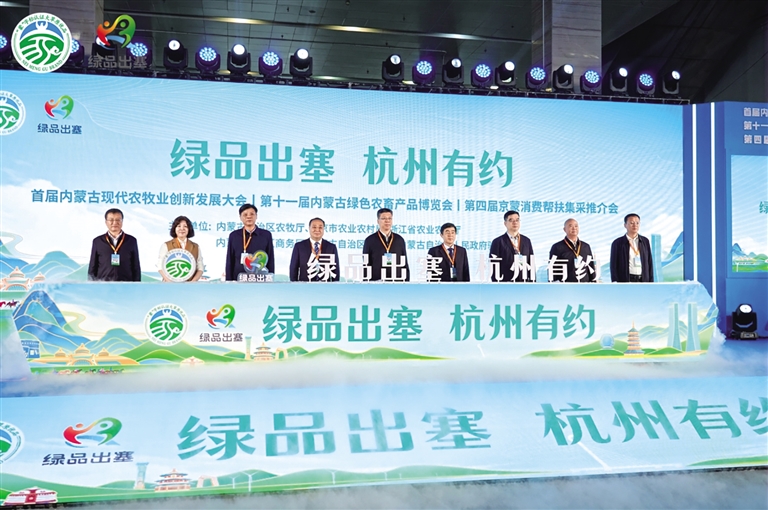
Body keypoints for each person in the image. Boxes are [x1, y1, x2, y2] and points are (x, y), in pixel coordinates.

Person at [88, 208, 141, 281]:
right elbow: (93, 267)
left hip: (126, 284)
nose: (115, 223)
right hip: (103, 284)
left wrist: (136, 284)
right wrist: (91, 284)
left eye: (118, 220)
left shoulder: (131, 241)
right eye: (111, 220)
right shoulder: (98, 241)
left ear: (122, 221)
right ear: (106, 222)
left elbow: (135, 266)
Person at [225, 204, 275, 281]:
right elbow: (230, 260)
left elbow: (270, 259)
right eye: (245, 215)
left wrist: (270, 279)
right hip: (239, 279)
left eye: (252, 214)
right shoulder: (234, 235)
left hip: (260, 279)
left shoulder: (266, 235)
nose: (249, 216)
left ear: (256, 216)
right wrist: (229, 281)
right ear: (240, 217)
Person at [362, 208, 409, 281]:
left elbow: (405, 264)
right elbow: (366, 264)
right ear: (378, 221)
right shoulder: (370, 240)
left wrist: (407, 283)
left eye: (389, 218)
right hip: (377, 282)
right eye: (384, 218)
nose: (387, 221)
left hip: (397, 282)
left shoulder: (399, 240)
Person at [489, 210, 535, 282]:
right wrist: (496, 285)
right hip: (505, 283)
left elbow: (531, 263)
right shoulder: (497, 242)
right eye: (511, 220)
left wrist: (532, 282)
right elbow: (494, 266)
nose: (515, 222)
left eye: (517, 220)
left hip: (524, 283)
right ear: (505, 223)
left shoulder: (527, 241)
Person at [548, 218, 597, 282]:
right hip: (565, 284)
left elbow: (591, 266)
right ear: (564, 229)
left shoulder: (586, 246)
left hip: (585, 284)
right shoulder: (557, 247)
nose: (574, 228)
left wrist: (593, 282)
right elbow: (553, 268)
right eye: (570, 226)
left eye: (576, 226)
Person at [157, 215, 204, 282]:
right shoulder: (166, 245)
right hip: (169, 285)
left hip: (190, 285)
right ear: (174, 228)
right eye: (179, 226)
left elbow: (200, 267)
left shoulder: (196, 247)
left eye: (185, 226)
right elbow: (160, 266)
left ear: (189, 229)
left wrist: (192, 282)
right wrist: (170, 282)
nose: (182, 229)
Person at [610, 213, 654, 282]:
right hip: (626, 280)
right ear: (625, 225)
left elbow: (649, 262)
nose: (635, 225)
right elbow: (613, 265)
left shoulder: (645, 241)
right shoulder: (617, 243)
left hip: (643, 280)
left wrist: (651, 281)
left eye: (637, 223)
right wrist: (615, 281)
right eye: (631, 223)